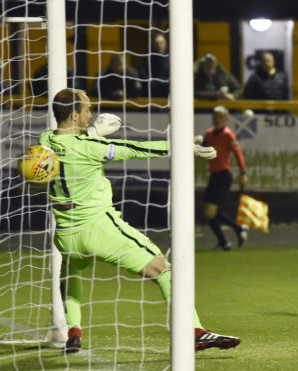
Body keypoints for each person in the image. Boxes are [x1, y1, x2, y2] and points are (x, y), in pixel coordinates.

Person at [38, 88, 240, 353]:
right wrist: (180, 147)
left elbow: (67, 146)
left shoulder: (44, 140)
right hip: (99, 228)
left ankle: (73, 331)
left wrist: (93, 132)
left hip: (65, 234)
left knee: (72, 272)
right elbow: (134, 149)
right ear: (74, 114)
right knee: (163, 268)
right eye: (87, 109)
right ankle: (194, 331)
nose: (92, 113)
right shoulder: (92, 147)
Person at [202, 105, 249, 251]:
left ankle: (228, 238)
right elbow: (202, 149)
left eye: (221, 117)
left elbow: (238, 153)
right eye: (215, 116)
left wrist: (243, 173)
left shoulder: (229, 134)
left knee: (211, 212)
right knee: (209, 213)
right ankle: (232, 235)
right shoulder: (209, 133)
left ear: (226, 119)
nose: (217, 119)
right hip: (214, 175)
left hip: (224, 175)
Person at [138, 32, 170, 97]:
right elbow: (143, 77)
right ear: (152, 44)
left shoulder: (172, 60)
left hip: (168, 96)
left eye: (161, 42)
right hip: (151, 96)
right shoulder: (146, 61)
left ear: (166, 43)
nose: (159, 45)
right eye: (156, 43)